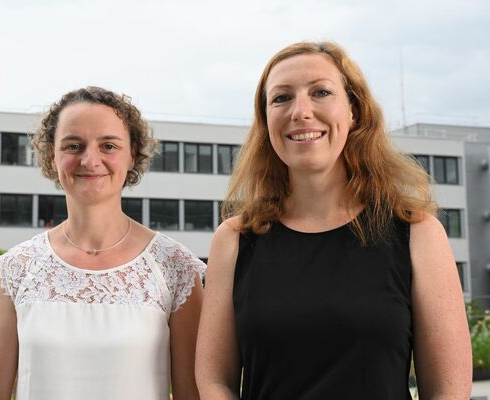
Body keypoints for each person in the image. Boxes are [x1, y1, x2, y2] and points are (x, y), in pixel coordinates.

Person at [195, 41, 471, 399]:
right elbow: (215, 381)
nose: (301, 111)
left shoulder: (417, 234)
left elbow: (449, 391)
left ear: (354, 110)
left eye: (321, 92)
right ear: (265, 121)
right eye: (281, 98)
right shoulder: (234, 240)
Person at [0, 86, 205, 400]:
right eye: (73, 145)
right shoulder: (18, 268)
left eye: (108, 145)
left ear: (132, 154)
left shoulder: (174, 266)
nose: (90, 159)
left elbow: (192, 394)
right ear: (52, 156)